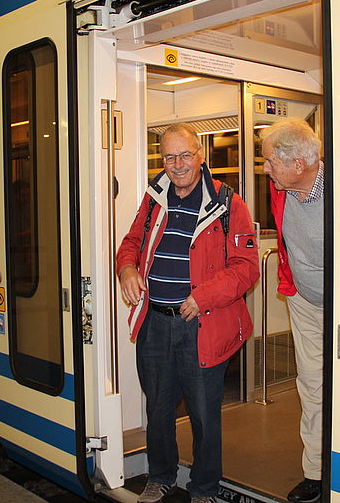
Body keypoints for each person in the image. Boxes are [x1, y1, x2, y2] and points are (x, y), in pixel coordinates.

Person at [116, 123, 259, 503]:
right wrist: (126, 268)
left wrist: (204, 297)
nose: (177, 164)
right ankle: (160, 476)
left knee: (204, 415)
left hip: (202, 325)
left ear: (200, 156)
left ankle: (204, 488)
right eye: (169, 157)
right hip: (155, 324)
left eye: (185, 155)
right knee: (158, 410)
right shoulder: (154, 198)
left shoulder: (228, 204)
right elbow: (131, 242)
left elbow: (246, 268)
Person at [259, 117, 324, 503]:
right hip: (303, 299)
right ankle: (316, 472)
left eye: (270, 161)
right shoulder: (281, 187)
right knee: (312, 385)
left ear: (298, 164)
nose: (265, 169)